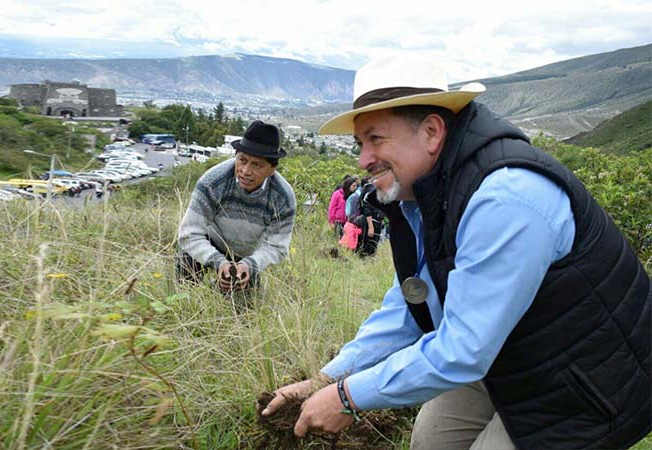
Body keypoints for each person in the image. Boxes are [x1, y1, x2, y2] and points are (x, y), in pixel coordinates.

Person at [262, 55, 651, 450]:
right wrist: (330, 378)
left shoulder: (504, 199)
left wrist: (348, 397)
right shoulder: (428, 194)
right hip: (505, 352)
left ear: (431, 132)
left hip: (586, 381)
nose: (363, 160)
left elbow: (464, 349)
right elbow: (410, 305)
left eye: (376, 139)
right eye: (360, 144)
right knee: (431, 440)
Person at [176, 120, 295, 294]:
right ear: (236, 156)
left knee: (244, 311)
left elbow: (277, 247)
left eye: (257, 165)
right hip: (209, 242)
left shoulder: (283, 197)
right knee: (185, 289)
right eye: (242, 160)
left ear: (272, 169)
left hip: (246, 255)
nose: (246, 171)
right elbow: (189, 234)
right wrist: (218, 262)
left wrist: (250, 265)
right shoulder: (213, 182)